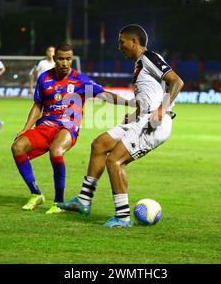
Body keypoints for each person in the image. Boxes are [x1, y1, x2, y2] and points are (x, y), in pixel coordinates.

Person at [59, 24, 184, 228]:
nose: (119, 46)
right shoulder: (139, 65)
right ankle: (83, 200)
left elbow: (177, 82)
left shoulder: (149, 58)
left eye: (121, 41)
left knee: (115, 161)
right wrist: (135, 114)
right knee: (99, 144)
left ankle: (123, 217)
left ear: (134, 41)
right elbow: (151, 95)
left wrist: (161, 110)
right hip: (142, 119)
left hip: (154, 123)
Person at [11, 43, 133, 214]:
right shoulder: (44, 78)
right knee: (17, 147)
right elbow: (38, 105)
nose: (65, 62)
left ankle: (58, 202)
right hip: (46, 124)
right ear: (54, 59)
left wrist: (129, 102)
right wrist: (26, 128)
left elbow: (104, 94)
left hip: (68, 127)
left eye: (68, 59)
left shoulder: (80, 80)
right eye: (61, 58)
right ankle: (36, 194)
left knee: (56, 150)